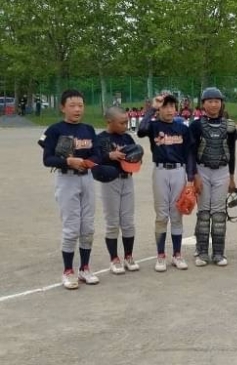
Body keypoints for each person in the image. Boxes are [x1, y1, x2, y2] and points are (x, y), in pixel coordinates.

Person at [42, 89, 101, 290]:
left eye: (80, 105)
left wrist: (87, 162)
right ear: (62, 107)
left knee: (88, 227)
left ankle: (85, 268)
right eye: (72, 105)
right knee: (71, 227)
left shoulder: (88, 129)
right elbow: (47, 159)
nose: (77, 109)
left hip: (87, 178)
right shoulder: (55, 130)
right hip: (67, 180)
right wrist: (68, 161)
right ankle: (68, 271)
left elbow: (97, 154)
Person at [138, 94, 195, 272]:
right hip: (160, 171)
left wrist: (190, 178)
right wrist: (152, 109)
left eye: (172, 106)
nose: (170, 110)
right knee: (162, 215)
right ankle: (161, 255)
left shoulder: (182, 129)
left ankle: (177, 254)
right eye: (165, 106)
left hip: (179, 171)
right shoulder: (154, 126)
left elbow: (189, 154)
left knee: (177, 214)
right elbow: (141, 130)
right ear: (160, 109)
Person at [189, 87, 237, 267]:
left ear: (221, 103)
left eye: (217, 101)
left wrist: (232, 176)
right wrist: (194, 175)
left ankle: (218, 252)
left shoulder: (229, 125)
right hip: (202, 170)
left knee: (218, 213)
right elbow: (191, 152)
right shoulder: (196, 125)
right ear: (203, 104)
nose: (213, 104)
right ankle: (202, 251)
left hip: (222, 171)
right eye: (209, 101)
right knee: (203, 212)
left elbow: (231, 151)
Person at [96, 107, 141, 274]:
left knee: (128, 221)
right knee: (112, 221)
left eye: (126, 122)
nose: (125, 125)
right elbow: (94, 160)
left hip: (127, 180)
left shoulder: (127, 138)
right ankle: (114, 258)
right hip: (110, 182)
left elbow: (136, 157)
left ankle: (128, 256)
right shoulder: (100, 139)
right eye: (122, 123)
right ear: (110, 122)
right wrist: (109, 156)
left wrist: (137, 158)